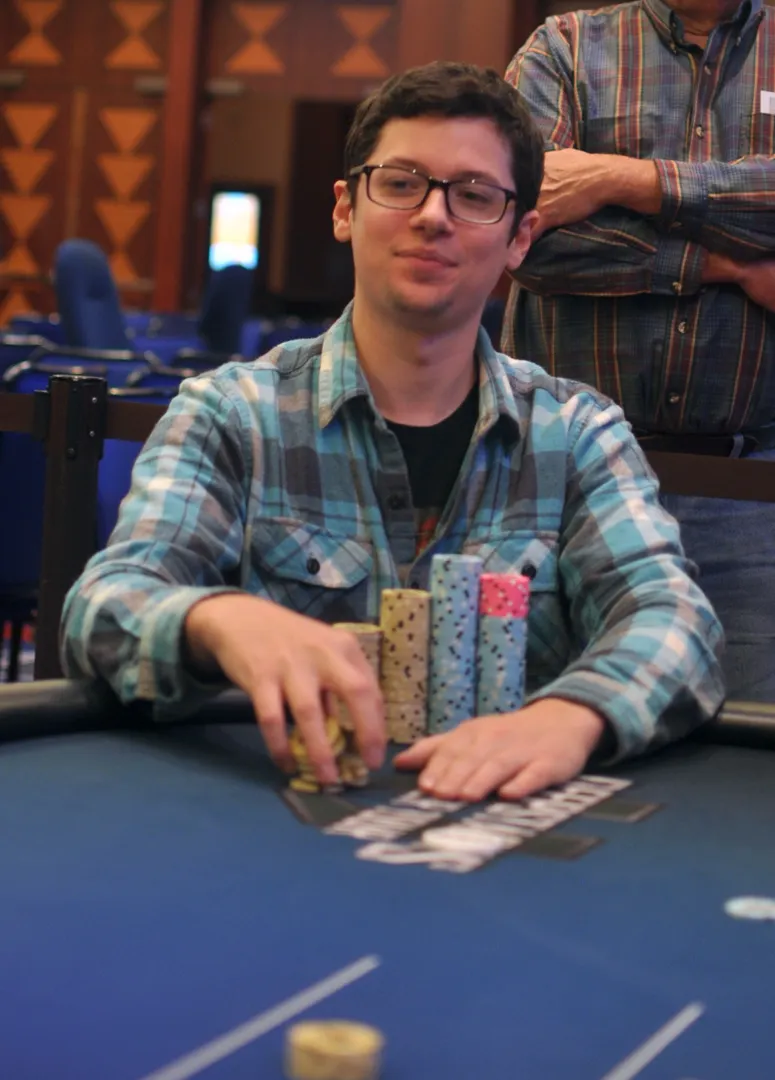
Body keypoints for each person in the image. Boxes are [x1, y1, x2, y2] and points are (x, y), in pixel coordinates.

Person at [61, 61, 724, 802]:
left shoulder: (576, 435)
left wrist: (572, 716)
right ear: (346, 208)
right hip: (275, 826)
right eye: (402, 183)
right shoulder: (231, 413)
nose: (433, 215)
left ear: (520, 239)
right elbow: (105, 608)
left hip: (497, 835)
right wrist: (219, 622)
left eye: (474, 195)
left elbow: (675, 623)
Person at [503, 0, 775, 700]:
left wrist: (617, 180)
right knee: (548, 728)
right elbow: (519, 231)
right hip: (562, 486)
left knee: (745, 748)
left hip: (753, 496)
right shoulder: (564, 49)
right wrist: (729, 264)